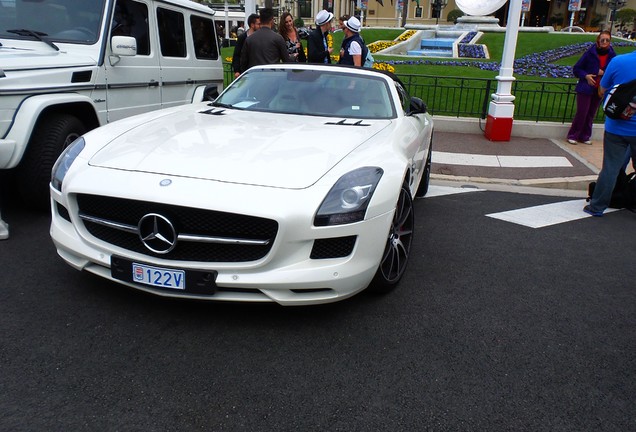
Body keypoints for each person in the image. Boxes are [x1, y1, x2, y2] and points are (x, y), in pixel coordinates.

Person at [584, 50, 636, 217]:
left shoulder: (618, 61)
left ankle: (597, 206)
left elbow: (602, 90)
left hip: (616, 127)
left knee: (611, 168)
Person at [567, 31, 616, 145]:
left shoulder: (612, 56)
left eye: (607, 40)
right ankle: (573, 135)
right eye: (602, 40)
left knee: (591, 114)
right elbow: (577, 69)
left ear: (610, 42)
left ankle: (585, 136)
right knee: (582, 112)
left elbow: (613, 72)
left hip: (600, 89)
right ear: (598, 40)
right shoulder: (590, 53)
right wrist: (586, 75)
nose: (604, 42)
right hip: (586, 87)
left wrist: (604, 74)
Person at [240, 8, 292, 72]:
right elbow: (286, 60)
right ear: (271, 20)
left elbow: (243, 63)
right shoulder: (278, 38)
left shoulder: (249, 39)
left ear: (260, 20)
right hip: (272, 76)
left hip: (254, 77)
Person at [232, 13, 260, 78]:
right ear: (252, 25)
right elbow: (237, 54)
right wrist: (237, 71)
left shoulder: (260, 37)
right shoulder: (242, 38)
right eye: (258, 24)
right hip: (245, 71)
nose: (260, 26)